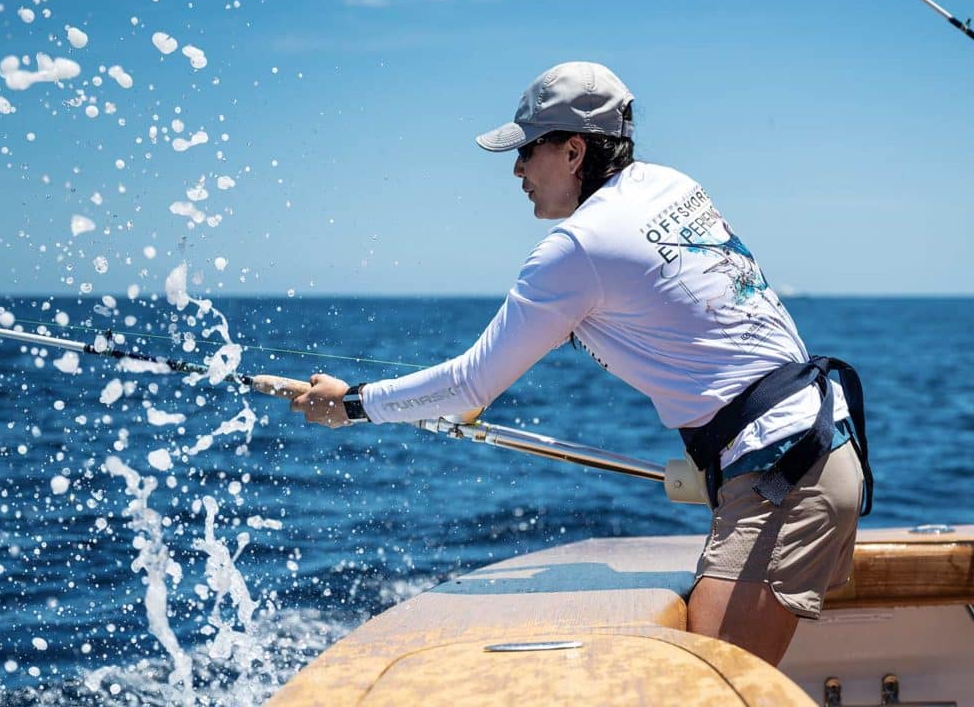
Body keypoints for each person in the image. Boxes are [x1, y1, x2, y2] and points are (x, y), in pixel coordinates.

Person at [290, 61, 871, 666]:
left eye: (526, 151)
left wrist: (353, 404)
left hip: (780, 475)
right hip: (818, 447)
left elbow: (469, 386)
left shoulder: (576, 247)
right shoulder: (671, 185)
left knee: (706, 684)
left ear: (573, 151)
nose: (517, 170)